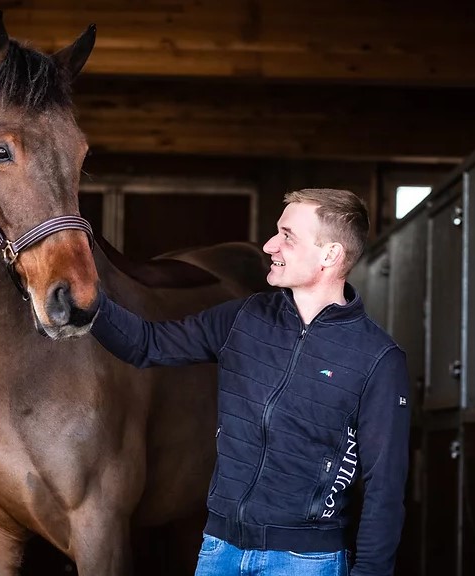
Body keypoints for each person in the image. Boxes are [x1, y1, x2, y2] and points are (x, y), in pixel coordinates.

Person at [90, 188, 411, 576]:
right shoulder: (244, 318)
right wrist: (88, 298)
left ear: (330, 255)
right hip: (220, 551)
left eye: (287, 236)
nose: (270, 244)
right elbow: (147, 344)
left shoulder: (378, 358)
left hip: (306, 561)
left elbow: (384, 488)